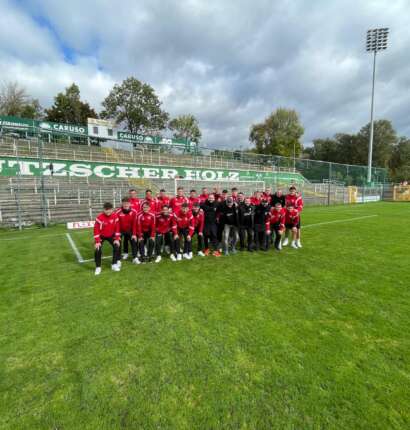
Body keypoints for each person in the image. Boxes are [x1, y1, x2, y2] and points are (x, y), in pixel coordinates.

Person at [93, 202, 121, 275]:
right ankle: (98, 267)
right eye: (106, 210)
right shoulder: (99, 217)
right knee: (97, 249)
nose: (108, 211)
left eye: (110, 210)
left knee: (117, 246)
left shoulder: (115, 216)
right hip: (101, 236)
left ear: (112, 210)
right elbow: (96, 230)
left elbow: (117, 228)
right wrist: (97, 241)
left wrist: (117, 239)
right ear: (103, 210)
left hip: (111, 235)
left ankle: (114, 264)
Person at [116, 197, 138, 262]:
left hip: (130, 230)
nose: (126, 205)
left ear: (130, 204)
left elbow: (134, 224)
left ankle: (135, 258)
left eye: (127, 203)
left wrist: (134, 234)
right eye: (124, 203)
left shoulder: (134, 212)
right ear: (122, 204)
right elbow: (116, 224)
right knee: (117, 243)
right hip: (120, 230)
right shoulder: (118, 212)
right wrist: (117, 236)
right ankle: (118, 259)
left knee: (133, 241)